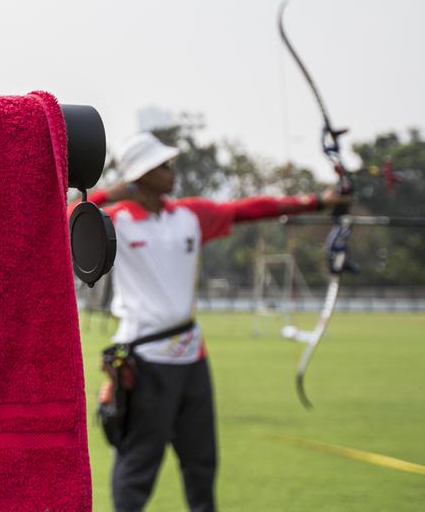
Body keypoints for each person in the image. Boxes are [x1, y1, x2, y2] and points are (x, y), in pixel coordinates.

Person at [79, 132, 347, 512]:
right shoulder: (115, 221)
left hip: (192, 360)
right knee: (137, 466)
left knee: (202, 464)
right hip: (145, 363)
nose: (173, 171)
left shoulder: (188, 216)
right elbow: (67, 217)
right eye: (163, 166)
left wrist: (316, 201)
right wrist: (113, 192)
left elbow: (247, 210)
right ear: (141, 175)